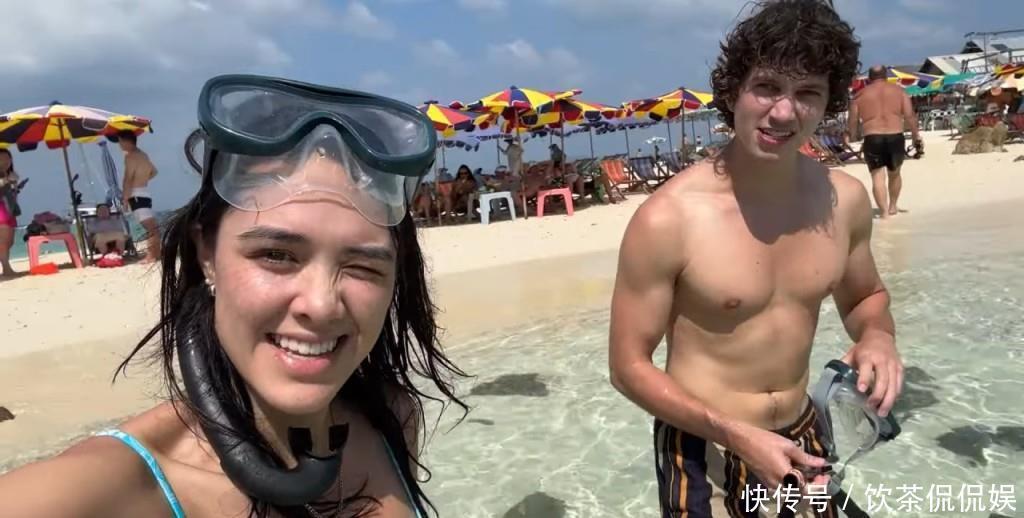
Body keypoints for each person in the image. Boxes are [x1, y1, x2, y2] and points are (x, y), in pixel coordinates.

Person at [0, 74, 468, 518]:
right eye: (277, 255)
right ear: (207, 254)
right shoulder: (106, 489)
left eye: (363, 266)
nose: (321, 305)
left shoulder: (392, 418)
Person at [608, 1, 903, 517]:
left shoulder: (844, 201)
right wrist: (733, 433)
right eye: (766, 87)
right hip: (703, 445)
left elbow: (865, 298)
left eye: (807, 93)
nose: (784, 112)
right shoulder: (669, 219)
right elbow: (627, 366)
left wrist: (878, 336)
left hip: (804, 433)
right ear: (732, 92)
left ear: (829, 103)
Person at [847, 65, 922, 219]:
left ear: (869, 78)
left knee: (877, 177)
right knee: (895, 174)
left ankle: (884, 213)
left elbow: (853, 120)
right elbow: (910, 115)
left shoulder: (859, 95)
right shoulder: (899, 91)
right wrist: (916, 136)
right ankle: (893, 206)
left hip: (872, 137)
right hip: (895, 136)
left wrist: (852, 135)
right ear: (886, 76)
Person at [117, 130, 162, 261]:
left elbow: (128, 179)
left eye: (120, 142)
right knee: (152, 227)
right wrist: (142, 179)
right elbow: (154, 171)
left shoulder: (130, 156)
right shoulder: (143, 154)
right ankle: (156, 253)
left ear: (126, 141)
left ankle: (151, 256)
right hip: (144, 192)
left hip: (135, 193)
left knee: (150, 227)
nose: (119, 145)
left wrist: (125, 200)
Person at [0, 149, 21, 277]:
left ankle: (6, 267)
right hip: (1, 210)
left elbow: (14, 194)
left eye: (7, 159)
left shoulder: (12, 174)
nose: (5, 161)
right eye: (1, 159)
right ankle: (6, 268)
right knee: (3, 241)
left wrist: (14, 184)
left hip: (10, 210)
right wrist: (5, 181)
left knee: (10, 241)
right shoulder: (6, 177)